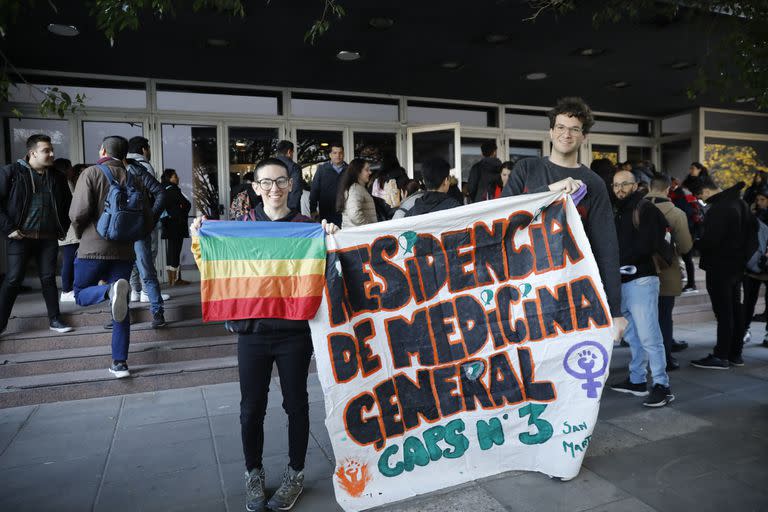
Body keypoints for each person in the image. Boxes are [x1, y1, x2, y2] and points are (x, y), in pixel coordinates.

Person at [190, 158, 338, 512]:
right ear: (255, 188)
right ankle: (252, 473)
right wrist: (200, 237)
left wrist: (330, 239)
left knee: (296, 404)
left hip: (294, 333)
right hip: (252, 332)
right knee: (250, 409)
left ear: (291, 185)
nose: (275, 188)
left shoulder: (306, 227)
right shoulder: (241, 228)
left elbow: (328, 272)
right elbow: (214, 267)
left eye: (282, 181)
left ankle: (295, 473)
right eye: (266, 183)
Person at [502, 97, 626, 342]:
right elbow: (502, 214)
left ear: (584, 137)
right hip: (523, 289)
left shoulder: (594, 184)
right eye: (560, 127)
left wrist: (615, 311)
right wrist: (551, 190)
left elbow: (606, 249)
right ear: (550, 132)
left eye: (574, 129)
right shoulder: (527, 169)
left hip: (571, 293)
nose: (566, 134)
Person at [70, 135, 153, 378]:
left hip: (92, 250)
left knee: (79, 294)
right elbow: (147, 219)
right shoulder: (135, 178)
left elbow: (77, 214)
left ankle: (108, 291)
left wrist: (80, 234)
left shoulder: (91, 173)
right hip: (124, 252)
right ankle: (120, 364)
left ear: (103, 149)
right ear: (125, 154)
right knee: (122, 309)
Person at [608, 170, 674, 407]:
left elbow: (647, 244)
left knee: (649, 335)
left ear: (636, 185)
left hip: (642, 280)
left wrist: (618, 261)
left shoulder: (645, 209)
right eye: (615, 185)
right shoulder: (619, 211)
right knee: (634, 335)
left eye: (624, 184)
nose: (619, 189)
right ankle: (637, 380)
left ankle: (662, 385)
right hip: (624, 281)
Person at [0, 134, 73, 335]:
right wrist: (9, 228)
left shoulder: (57, 177)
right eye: (46, 150)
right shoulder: (11, 172)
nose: (52, 154)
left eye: (51, 150)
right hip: (20, 236)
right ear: (32, 153)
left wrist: (62, 228)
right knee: (13, 279)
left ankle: (55, 319)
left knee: (49, 278)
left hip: (48, 237)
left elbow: (68, 205)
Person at [689, 176, 755, 369]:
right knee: (735, 309)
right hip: (737, 267)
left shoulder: (720, 208)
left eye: (700, 195)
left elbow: (711, 241)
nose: (701, 199)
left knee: (724, 312)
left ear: (707, 190)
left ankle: (721, 355)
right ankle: (736, 354)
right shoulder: (739, 203)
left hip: (720, 267)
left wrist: (695, 243)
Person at [646, 174, 693, 370]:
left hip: (637, 272)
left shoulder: (634, 208)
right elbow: (685, 247)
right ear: (667, 190)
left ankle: (642, 360)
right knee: (664, 315)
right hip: (666, 273)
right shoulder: (676, 214)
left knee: (643, 318)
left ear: (649, 187)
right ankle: (664, 359)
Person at [126, 141, 168, 328]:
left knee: (122, 273)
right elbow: (160, 193)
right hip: (138, 227)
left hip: (122, 229)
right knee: (146, 268)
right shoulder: (140, 168)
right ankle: (156, 310)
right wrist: (150, 218)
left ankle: (121, 312)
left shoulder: (101, 171)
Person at [55, 160, 85, 303]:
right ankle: (66, 290)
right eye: (71, 168)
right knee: (68, 261)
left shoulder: (66, 183)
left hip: (70, 231)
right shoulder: (63, 184)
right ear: (65, 169)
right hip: (69, 232)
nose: (73, 170)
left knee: (71, 260)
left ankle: (70, 289)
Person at [742, 186, 768, 347]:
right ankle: (744, 329)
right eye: (758, 200)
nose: (759, 203)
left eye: (763, 200)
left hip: (765, 265)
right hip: (752, 266)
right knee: (749, 300)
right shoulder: (754, 215)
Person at [160, 169, 192, 286]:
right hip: (176, 225)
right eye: (175, 176)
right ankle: (176, 279)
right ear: (169, 178)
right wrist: (182, 210)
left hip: (167, 224)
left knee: (171, 251)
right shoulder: (173, 190)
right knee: (176, 251)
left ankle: (170, 279)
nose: (177, 178)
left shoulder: (162, 189)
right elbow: (187, 204)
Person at [668, 177, 699, 294]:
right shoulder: (680, 193)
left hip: (685, 230)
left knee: (686, 258)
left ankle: (691, 284)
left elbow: (685, 212)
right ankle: (689, 282)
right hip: (684, 229)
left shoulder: (679, 194)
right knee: (685, 258)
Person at [309, 143, 347, 225]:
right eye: (335, 153)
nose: (338, 155)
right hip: (326, 212)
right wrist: (313, 210)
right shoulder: (322, 170)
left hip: (346, 212)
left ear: (343, 154)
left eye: (340, 153)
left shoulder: (349, 170)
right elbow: (314, 190)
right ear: (330, 155)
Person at [336, 158, 377, 227]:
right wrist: (369, 226)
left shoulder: (357, 188)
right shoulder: (355, 189)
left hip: (356, 234)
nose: (370, 172)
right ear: (358, 172)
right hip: (357, 235)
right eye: (367, 170)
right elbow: (354, 215)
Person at [275, 140, 306, 212]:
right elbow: (296, 189)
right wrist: (291, 211)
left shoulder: (270, 165)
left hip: (272, 210)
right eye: (293, 153)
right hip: (289, 210)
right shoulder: (294, 167)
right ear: (289, 152)